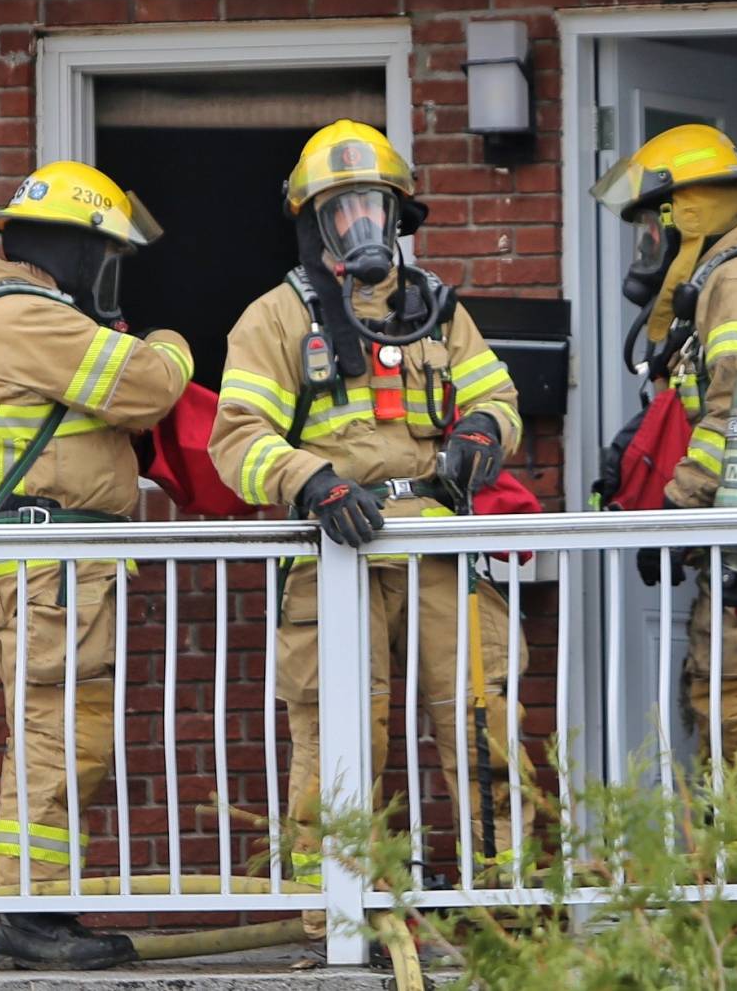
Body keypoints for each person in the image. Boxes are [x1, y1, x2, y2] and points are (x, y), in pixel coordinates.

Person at [209, 120, 529, 931]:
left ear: (399, 218)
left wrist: (486, 431)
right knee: (341, 737)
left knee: (482, 719)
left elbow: (499, 397)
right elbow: (236, 438)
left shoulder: (439, 313)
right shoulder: (273, 319)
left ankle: (512, 896)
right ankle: (337, 911)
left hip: (436, 547)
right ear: (312, 222)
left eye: (373, 207)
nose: (361, 225)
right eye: (341, 209)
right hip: (337, 553)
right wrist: (311, 481)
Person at [0, 161, 192, 969]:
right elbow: (147, 386)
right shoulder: (24, 318)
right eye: (106, 256)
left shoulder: (19, 317)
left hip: (60, 568)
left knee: (70, 737)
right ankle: (27, 914)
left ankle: (44, 902)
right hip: (48, 568)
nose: (108, 276)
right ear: (73, 249)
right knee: (51, 735)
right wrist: (173, 343)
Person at [590, 124, 737, 788]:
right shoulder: (722, 280)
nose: (643, 247)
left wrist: (673, 505)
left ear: (681, 217)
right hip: (736, 549)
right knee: (730, 709)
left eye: (647, 229)